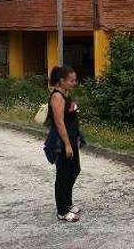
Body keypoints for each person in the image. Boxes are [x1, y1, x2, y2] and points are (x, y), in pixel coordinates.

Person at [46, 65, 83, 222]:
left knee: (74, 169)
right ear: (62, 81)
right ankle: (61, 210)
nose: (74, 83)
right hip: (62, 141)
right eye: (71, 80)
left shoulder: (65, 94)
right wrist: (67, 144)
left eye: (75, 80)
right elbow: (59, 122)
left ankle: (67, 202)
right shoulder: (57, 97)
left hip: (72, 137)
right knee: (63, 174)